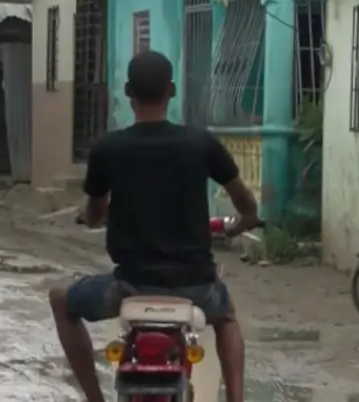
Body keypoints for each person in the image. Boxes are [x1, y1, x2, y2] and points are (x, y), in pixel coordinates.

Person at [48, 50, 261, 402]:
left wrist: (90, 215)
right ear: (171, 90)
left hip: (132, 286)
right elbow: (246, 203)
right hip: (196, 287)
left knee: (61, 299)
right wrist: (243, 223)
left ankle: (95, 399)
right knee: (226, 317)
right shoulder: (201, 143)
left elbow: (95, 213)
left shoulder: (107, 148)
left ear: (128, 92)